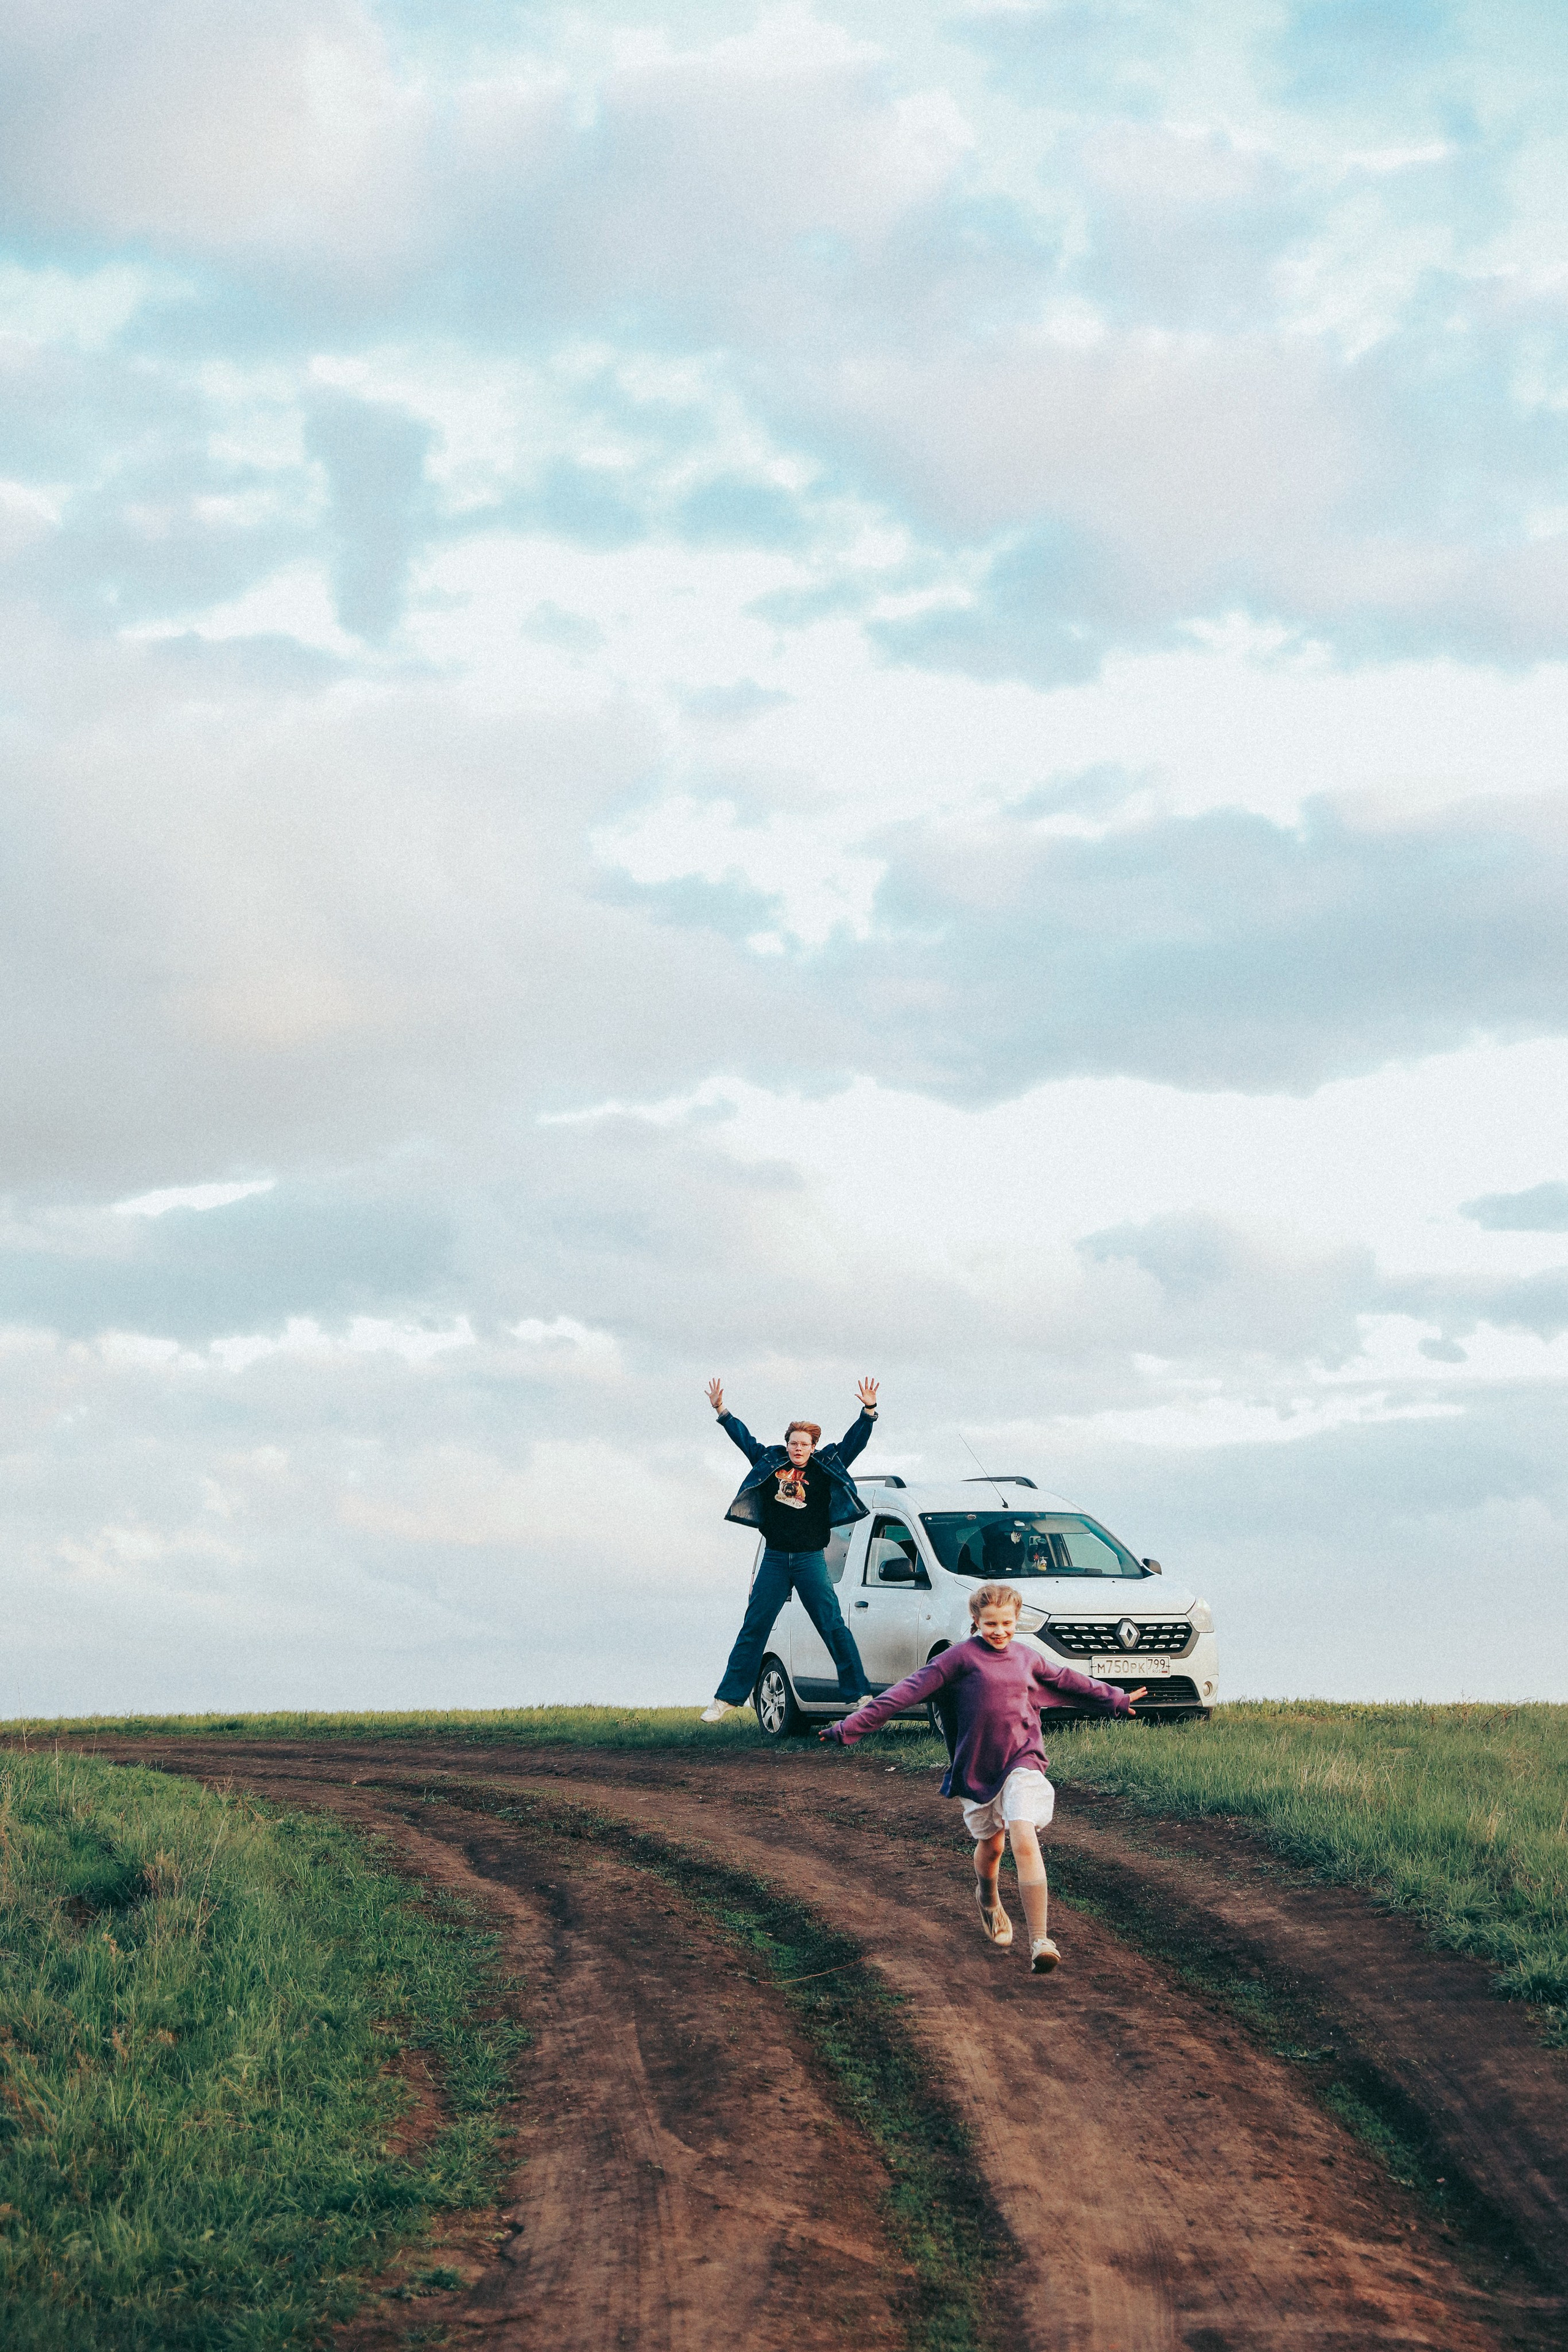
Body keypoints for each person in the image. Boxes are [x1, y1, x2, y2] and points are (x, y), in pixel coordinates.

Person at [820, 1579, 1145, 1973]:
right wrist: (849, 1727)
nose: (1000, 1632)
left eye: (1007, 1623)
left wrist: (1115, 1698)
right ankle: (988, 1897)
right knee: (992, 1849)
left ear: (1017, 1620)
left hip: (1023, 1761)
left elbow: (1067, 1680)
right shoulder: (957, 1660)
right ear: (975, 1621)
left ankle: (1040, 1939)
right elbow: (903, 1693)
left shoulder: (1027, 1658)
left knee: (1023, 1834)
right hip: (977, 1768)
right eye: (991, 1624)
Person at [698, 1376, 880, 1724]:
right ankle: (726, 1698)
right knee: (755, 1625)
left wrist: (868, 1411)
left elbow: (854, 1443)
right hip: (776, 1560)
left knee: (832, 1625)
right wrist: (722, 1411)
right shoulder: (770, 1462)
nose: (799, 1449)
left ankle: (859, 1694)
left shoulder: (826, 1467)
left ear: (814, 1447)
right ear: (787, 1444)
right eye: (794, 1443)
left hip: (811, 1560)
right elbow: (744, 1440)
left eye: (805, 1444)